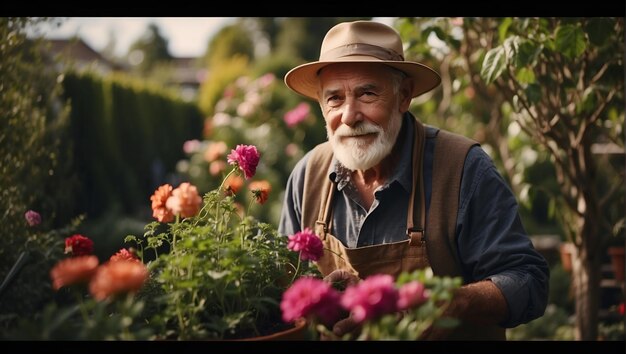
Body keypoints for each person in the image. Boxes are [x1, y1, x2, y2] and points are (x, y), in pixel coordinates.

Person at [278, 20, 549, 340]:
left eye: (367, 93)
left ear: (403, 96)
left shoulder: (462, 169)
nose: (349, 116)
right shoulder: (308, 177)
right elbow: (281, 287)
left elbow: (528, 280)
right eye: (334, 98)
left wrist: (454, 302)